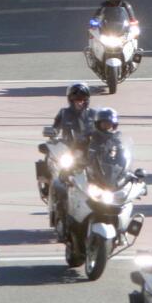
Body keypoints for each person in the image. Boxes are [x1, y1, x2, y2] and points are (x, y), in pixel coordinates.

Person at [45, 82, 94, 215]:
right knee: (51, 161)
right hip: (68, 150)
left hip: (89, 150)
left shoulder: (93, 114)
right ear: (70, 100)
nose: (80, 102)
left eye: (83, 99)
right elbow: (55, 127)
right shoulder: (64, 113)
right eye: (77, 99)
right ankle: (48, 188)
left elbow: (102, 131)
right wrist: (52, 132)